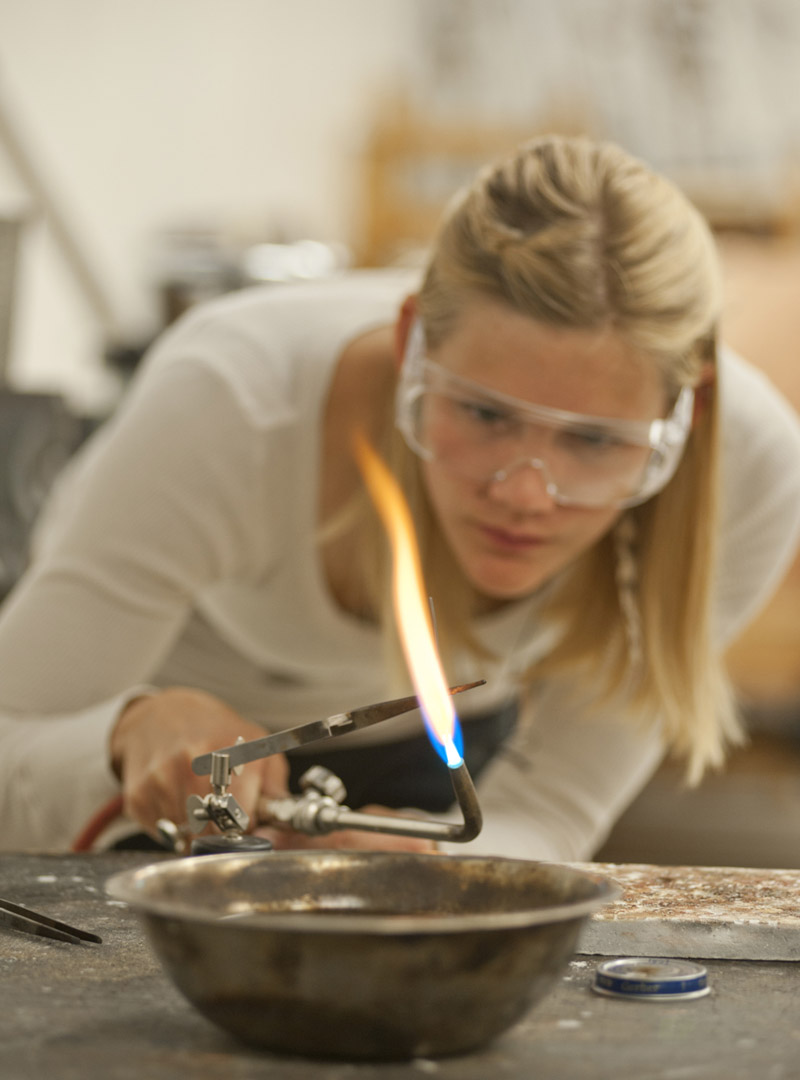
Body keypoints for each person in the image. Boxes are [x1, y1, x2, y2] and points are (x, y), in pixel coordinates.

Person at [1, 134, 799, 859]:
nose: (525, 494)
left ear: (688, 402)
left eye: (594, 441)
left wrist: (444, 865)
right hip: (156, 775)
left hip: (440, 763)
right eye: (485, 414)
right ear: (411, 338)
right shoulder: (231, 403)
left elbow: (553, 808)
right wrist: (127, 731)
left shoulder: (750, 470)